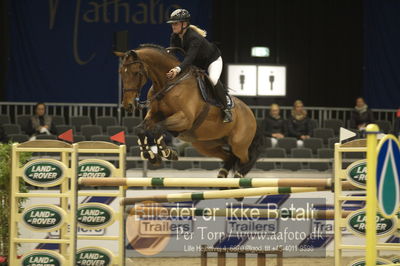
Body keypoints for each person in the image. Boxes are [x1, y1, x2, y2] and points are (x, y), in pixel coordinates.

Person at [165, 8, 232, 123]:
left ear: (184, 24)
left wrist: (177, 68)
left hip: (212, 60)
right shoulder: (175, 36)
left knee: (212, 80)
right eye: (172, 24)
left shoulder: (194, 37)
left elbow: (189, 58)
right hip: (197, 63)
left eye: (175, 23)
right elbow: (172, 52)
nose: (173, 26)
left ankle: (226, 107)